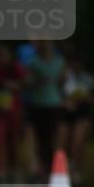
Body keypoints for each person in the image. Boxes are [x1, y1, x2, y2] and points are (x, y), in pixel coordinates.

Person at [0, 43, 24, 182]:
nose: (2, 59)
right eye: (0, 56)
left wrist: (12, 85)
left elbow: (24, 83)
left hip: (12, 109)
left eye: (5, 56)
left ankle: (13, 170)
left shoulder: (15, 69)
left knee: (13, 140)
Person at [25, 41, 65, 178]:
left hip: (54, 104)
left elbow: (62, 81)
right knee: (41, 139)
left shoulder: (59, 62)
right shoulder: (33, 62)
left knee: (53, 138)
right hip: (38, 104)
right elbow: (27, 82)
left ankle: (54, 169)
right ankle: (42, 169)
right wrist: (36, 81)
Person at [61, 53, 94, 184]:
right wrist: (66, 102)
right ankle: (69, 170)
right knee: (65, 144)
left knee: (78, 143)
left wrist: (84, 99)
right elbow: (60, 95)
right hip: (67, 114)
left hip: (82, 114)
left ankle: (77, 171)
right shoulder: (66, 79)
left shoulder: (89, 79)